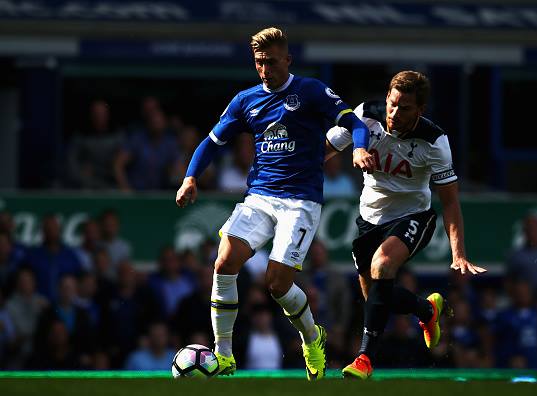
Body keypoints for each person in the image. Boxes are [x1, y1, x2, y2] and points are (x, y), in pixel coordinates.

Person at [175, 27, 374, 380]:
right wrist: (191, 177)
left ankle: (312, 339)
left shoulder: (310, 90)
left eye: (270, 62)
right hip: (260, 197)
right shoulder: (245, 100)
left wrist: (358, 147)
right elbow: (211, 142)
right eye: (258, 62)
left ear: (288, 59)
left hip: (300, 201)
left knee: (277, 284)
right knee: (224, 262)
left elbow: (352, 121)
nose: (265, 69)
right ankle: (223, 355)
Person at [326, 70, 486, 379]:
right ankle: (427, 310)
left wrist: (458, 253)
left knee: (383, 265)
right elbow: (327, 149)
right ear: (387, 97)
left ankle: (363, 359)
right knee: (375, 297)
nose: (394, 113)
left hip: (412, 217)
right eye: (392, 103)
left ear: (420, 110)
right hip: (368, 221)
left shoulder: (435, 141)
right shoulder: (365, 115)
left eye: (405, 108)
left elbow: (450, 202)